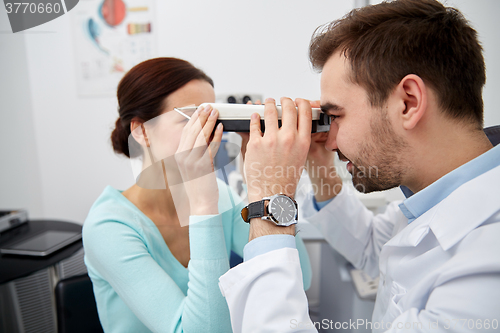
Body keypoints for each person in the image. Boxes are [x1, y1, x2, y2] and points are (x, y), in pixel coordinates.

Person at [218, 0, 500, 332]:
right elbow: (370, 247)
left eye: (335, 116)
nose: (331, 139)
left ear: (408, 102)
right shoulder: (435, 197)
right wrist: (318, 162)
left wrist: (269, 203)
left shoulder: (487, 262)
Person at [82, 57, 311, 333]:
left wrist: (266, 185)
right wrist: (203, 204)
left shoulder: (222, 196)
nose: (209, 133)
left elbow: (302, 278)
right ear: (141, 130)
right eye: (191, 119)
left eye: (215, 119)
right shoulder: (108, 227)